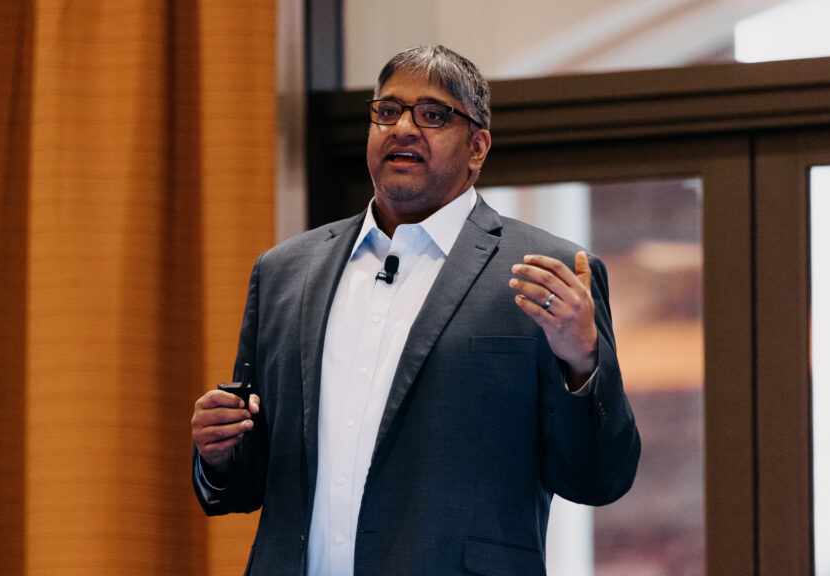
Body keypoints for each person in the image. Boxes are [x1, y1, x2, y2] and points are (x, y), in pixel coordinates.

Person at [191, 44, 640, 576]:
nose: (403, 128)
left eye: (433, 115)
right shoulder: (285, 271)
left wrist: (582, 362)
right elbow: (247, 481)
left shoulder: (547, 273)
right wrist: (219, 452)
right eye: (387, 111)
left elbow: (599, 478)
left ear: (477, 147)